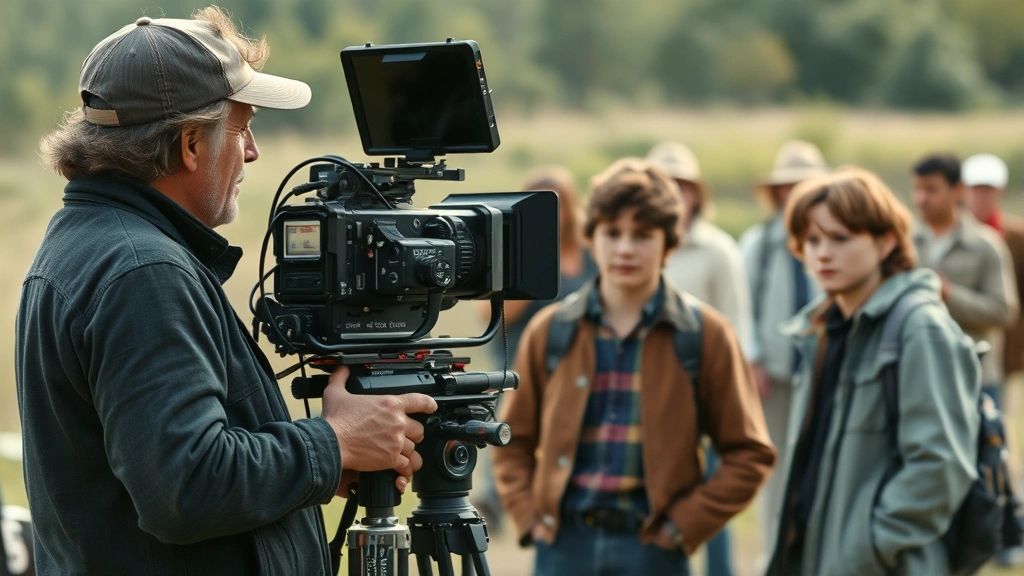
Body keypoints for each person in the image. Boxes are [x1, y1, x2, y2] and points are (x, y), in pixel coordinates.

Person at [18, 8, 436, 574]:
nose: (253, 152)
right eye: (242, 129)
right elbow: (186, 487)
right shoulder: (142, 272)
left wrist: (306, 471)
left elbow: (161, 472)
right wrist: (333, 441)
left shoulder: (86, 243)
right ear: (190, 142)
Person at [493, 158, 775, 576]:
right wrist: (530, 516)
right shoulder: (551, 330)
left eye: (642, 235)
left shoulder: (705, 334)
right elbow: (512, 440)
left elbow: (749, 454)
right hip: (563, 547)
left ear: (670, 246)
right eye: (612, 233)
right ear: (591, 238)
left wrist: (683, 527)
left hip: (654, 549)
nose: (625, 248)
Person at [767, 167, 980, 576]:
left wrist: (867, 551)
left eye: (840, 238)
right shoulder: (820, 330)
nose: (822, 253)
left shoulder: (920, 328)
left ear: (885, 243)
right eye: (812, 240)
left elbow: (939, 468)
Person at [472, 165, 598, 531]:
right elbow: (491, 318)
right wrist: (530, 265)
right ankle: (493, 498)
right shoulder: (518, 252)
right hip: (526, 355)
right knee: (509, 411)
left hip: (580, 354)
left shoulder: (589, 253)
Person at [647, 141, 752, 576]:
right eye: (665, 183)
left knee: (707, 496)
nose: (676, 192)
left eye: (683, 185)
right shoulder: (637, 244)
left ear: (696, 193)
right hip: (648, 386)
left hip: (703, 386)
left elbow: (736, 322)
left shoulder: (718, 249)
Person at [737, 139, 824, 559]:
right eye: (788, 185)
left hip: (820, 370)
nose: (794, 193)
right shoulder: (761, 242)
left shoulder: (827, 238)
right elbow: (744, 305)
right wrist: (751, 361)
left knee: (816, 465)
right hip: (774, 372)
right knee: (774, 469)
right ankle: (773, 554)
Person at [910, 153, 1019, 408]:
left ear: (957, 190)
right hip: (918, 375)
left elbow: (1004, 311)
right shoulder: (906, 244)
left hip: (975, 376)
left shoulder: (986, 246)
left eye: (931, 190)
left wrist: (949, 294)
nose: (921, 199)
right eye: (917, 189)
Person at [961, 152, 1024, 567]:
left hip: (1003, 357)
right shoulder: (948, 237)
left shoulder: (1015, 238)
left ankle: (1006, 532)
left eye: (988, 188)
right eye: (975, 187)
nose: (981, 195)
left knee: (996, 444)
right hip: (959, 357)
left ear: (998, 192)